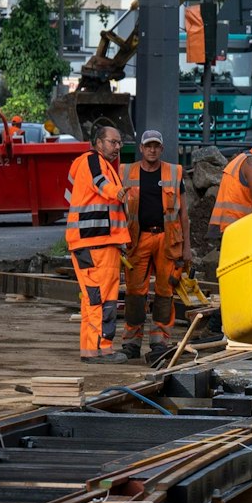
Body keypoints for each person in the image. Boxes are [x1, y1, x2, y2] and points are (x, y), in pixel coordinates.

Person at [120, 129, 189, 362]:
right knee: (134, 294)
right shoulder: (126, 172)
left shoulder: (174, 172)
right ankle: (131, 342)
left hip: (167, 241)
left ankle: (160, 341)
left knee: (165, 291)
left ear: (161, 149)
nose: (152, 149)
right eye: (148, 145)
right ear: (141, 148)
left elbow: (184, 214)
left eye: (156, 146)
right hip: (137, 241)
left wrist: (187, 248)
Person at [65, 123, 130, 363]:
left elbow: (71, 196)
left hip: (102, 242)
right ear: (98, 142)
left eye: (119, 142)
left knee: (106, 298)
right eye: (113, 142)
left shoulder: (102, 165)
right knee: (97, 297)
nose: (117, 146)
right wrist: (118, 192)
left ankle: (102, 347)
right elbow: (101, 184)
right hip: (94, 242)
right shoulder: (92, 160)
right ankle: (94, 350)